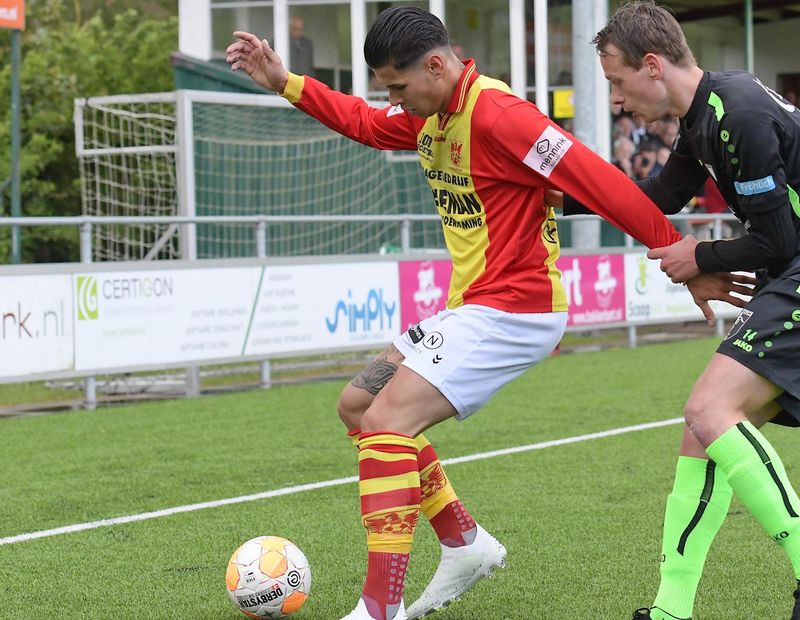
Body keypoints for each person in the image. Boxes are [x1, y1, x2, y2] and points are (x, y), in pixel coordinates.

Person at [226, 8, 746, 620]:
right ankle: (464, 542)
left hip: (515, 307)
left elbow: (601, 182)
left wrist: (682, 254)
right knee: (359, 407)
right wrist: (286, 82)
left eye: (398, 86)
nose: (393, 100)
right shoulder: (429, 112)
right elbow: (367, 123)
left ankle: (377, 610)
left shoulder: (500, 115)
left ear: (438, 65)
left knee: (388, 422)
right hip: (473, 306)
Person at [562, 2, 800, 618]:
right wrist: (555, 198)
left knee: (709, 409)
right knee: (702, 430)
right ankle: (672, 609)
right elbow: (651, 199)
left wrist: (698, 255)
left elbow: (778, 239)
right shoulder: (705, 114)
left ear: (652, 66)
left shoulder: (737, 113)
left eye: (617, 83)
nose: (618, 99)